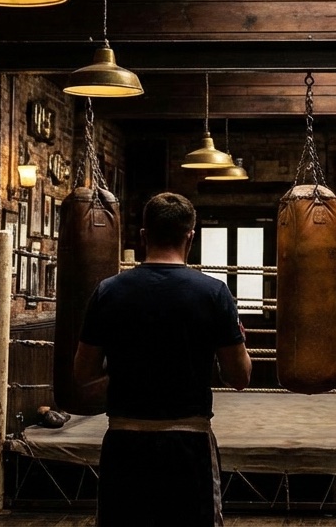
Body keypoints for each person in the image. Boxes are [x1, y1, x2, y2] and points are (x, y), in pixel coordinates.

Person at [73, 192, 252, 526]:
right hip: (187, 442)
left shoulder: (108, 291)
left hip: (124, 441)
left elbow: (83, 374)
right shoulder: (213, 293)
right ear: (191, 237)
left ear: (143, 235)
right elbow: (240, 378)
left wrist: (132, 363)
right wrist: (234, 341)